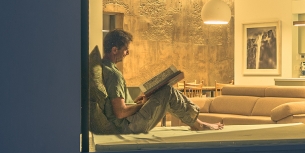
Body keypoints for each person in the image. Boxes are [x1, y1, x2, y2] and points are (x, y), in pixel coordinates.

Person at [88, 29, 223, 135]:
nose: (127, 53)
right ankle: (199, 125)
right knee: (167, 91)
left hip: (125, 122)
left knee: (163, 91)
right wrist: (142, 104)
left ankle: (196, 122)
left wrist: (140, 101)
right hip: (128, 126)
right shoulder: (113, 74)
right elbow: (120, 113)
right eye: (125, 50)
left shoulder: (105, 68)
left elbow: (116, 107)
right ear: (115, 50)